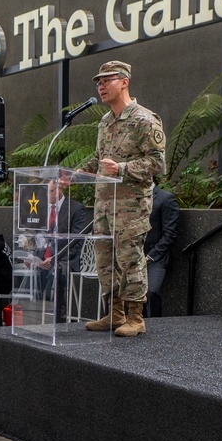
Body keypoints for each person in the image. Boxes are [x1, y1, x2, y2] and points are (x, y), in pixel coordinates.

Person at [81, 61, 166, 337]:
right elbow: (98, 158)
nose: (101, 86)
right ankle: (115, 315)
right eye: (99, 82)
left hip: (130, 207)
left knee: (130, 260)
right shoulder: (104, 122)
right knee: (106, 261)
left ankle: (136, 318)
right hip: (104, 205)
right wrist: (78, 173)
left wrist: (123, 169)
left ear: (124, 82)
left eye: (107, 80)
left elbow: (157, 162)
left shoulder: (144, 119)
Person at [35, 179, 87, 321]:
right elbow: (38, 236)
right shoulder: (41, 208)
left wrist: (55, 258)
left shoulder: (75, 209)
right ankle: (35, 316)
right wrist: (35, 257)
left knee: (55, 273)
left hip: (65, 259)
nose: (46, 195)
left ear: (59, 190)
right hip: (44, 258)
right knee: (29, 275)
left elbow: (76, 242)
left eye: (49, 191)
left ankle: (57, 316)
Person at [145, 186, 179, 318]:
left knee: (151, 292)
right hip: (133, 254)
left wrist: (150, 257)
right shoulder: (131, 197)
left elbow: (169, 234)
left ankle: (155, 326)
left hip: (156, 256)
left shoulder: (166, 198)